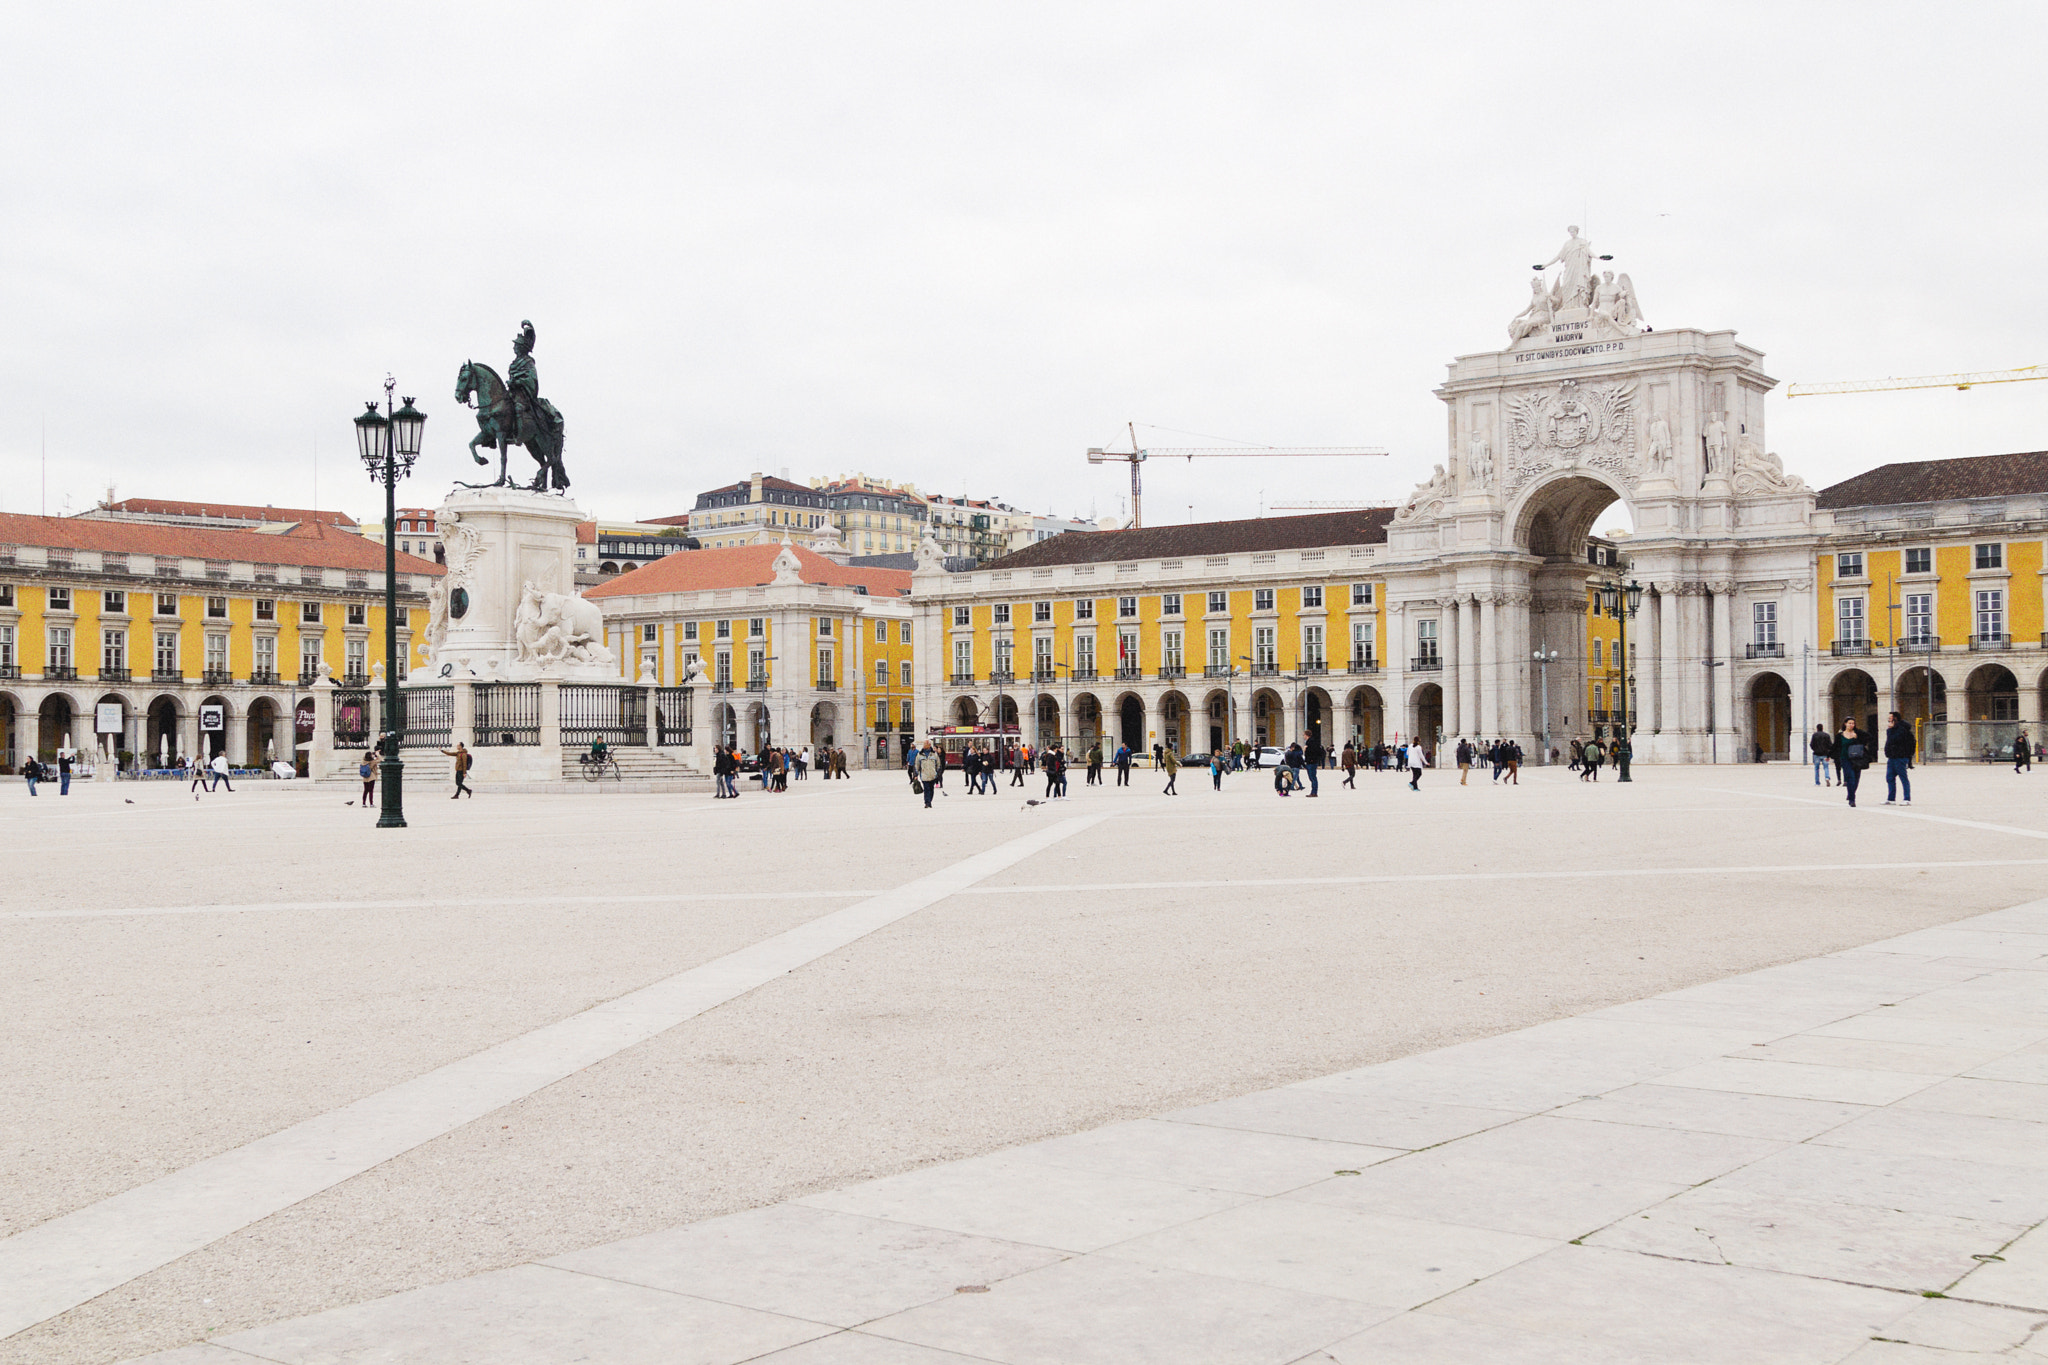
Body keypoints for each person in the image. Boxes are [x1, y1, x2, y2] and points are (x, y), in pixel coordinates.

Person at [1884, 710, 1916, 806]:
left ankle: (1907, 798)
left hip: (1900, 757)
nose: (1888, 719)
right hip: (1892, 757)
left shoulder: (1902, 730)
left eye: (1890, 717)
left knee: (1903, 778)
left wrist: (1889, 730)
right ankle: (1891, 798)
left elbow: (1894, 740)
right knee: (1889, 777)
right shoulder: (1893, 729)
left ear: (1895, 718)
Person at [1836, 717, 1870, 808]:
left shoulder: (1858, 733)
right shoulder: (1840, 735)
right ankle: (1852, 799)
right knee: (1850, 777)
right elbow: (1836, 747)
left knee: (1856, 778)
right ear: (1845, 724)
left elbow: (1868, 738)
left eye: (1853, 723)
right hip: (1845, 759)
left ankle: (1850, 793)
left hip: (1856, 759)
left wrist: (1857, 738)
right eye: (1849, 723)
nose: (1851, 725)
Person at [916, 742, 942, 809]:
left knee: (931, 789)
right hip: (924, 775)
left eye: (925, 744)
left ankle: (929, 800)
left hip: (932, 775)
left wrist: (937, 773)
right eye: (923, 744)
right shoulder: (920, 754)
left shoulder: (934, 754)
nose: (924, 745)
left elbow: (938, 764)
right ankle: (927, 802)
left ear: (929, 745)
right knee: (926, 789)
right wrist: (915, 774)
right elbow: (917, 765)